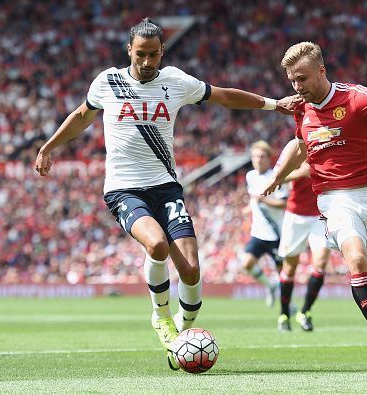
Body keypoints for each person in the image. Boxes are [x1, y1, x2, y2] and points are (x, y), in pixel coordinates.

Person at [34, 17, 298, 371]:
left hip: (166, 186)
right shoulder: (108, 82)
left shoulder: (176, 81)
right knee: (156, 245)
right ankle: (160, 316)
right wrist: (48, 147)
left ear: (162, 53)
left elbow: (223, 96)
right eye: (140, 54)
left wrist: (272, 104)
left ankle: (183, 335)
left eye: (153, 55)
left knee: (190, 270)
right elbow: (82, 115)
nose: (146, 62)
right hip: (123, 189)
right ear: (129, 50)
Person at [262, 41, 367, 367]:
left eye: (302, 78)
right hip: (333, 198)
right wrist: (278, 175)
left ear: (322, 70)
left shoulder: (356, 97)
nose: (297, 87)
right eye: (292, 80)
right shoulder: (300, 108)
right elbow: (300, 146)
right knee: (356, 258)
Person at [274, 140, 331, 332]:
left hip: (321, 213)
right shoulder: (293, 146)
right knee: (290, 268)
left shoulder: (329, 140)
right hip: (296, 215)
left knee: (321, 263)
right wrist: (302, 171)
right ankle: (283, 314)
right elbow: (278, 176)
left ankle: (305, 312)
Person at [241, 140, 288, 308]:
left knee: (283, 273)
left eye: (261, 156)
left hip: (276, 233)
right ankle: (270, 285)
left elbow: (285, 203)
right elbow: (254, 199)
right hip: (259, 232)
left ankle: (287, 308)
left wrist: (265, 201)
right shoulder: (250, 176)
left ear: (269, 158)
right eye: (255, 156)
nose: (258, 160)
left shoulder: (277, 177)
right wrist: (250, 207)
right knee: (246, 263)